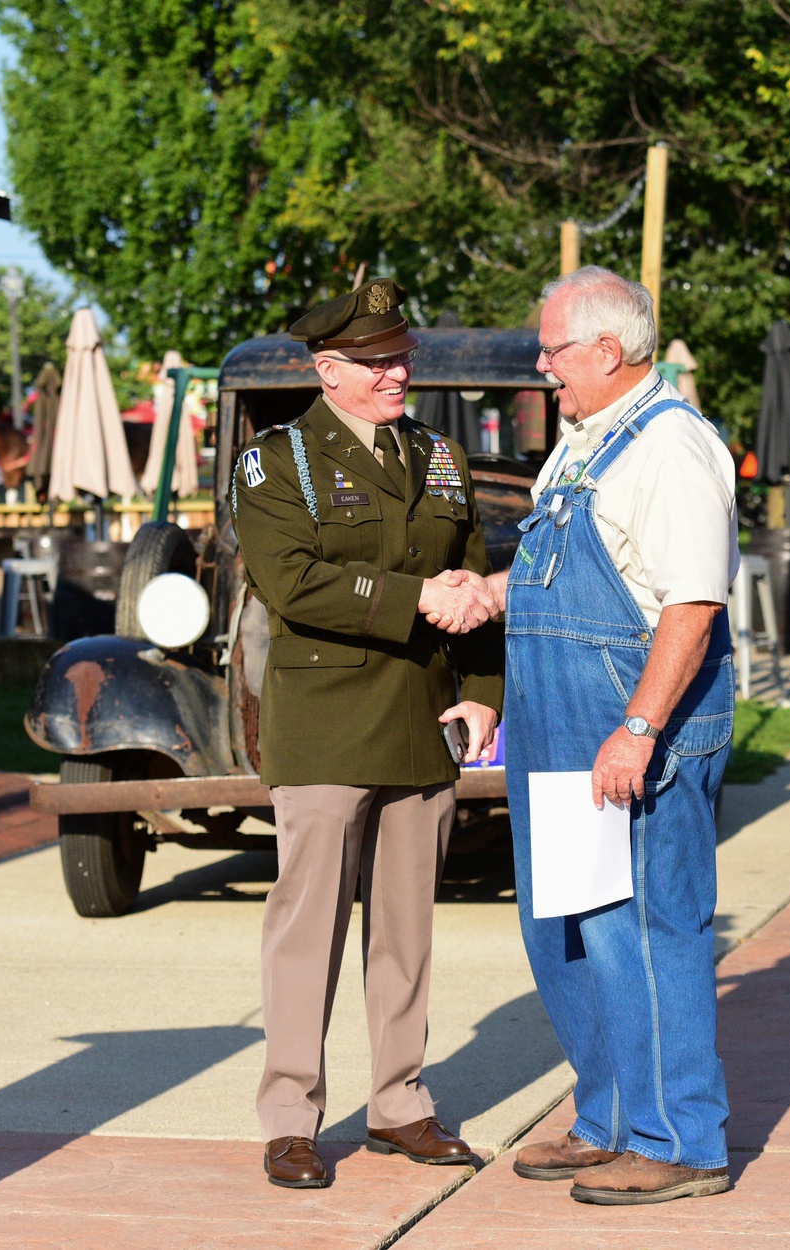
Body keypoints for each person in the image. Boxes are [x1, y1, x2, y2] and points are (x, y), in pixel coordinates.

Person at [463, 266, 740, 1205]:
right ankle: (609, 1119)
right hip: (562, 738)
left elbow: (691, 608)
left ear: (608, 352)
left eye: (553, 350)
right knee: (575, 932)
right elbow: (558, 580)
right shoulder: (584, 444)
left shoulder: (670, 448)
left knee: (651, 932)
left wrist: (637, 729)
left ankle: (682, 1142)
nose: (541, 367)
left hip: (630, 736)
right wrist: (490, 595)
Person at [231, 278, 503, 1188]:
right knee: (306, 932)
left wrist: (487, 691)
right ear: (329, 370)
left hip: (423, 724)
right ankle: (290, 1118)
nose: (399, 374)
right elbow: (292, 581)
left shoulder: (438, 456)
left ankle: (400, 1105)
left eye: (403, 357)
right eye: (380, 362)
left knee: (405, 932)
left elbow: (471, 574)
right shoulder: (279, 463)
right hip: (325, 728)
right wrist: (415, 597)